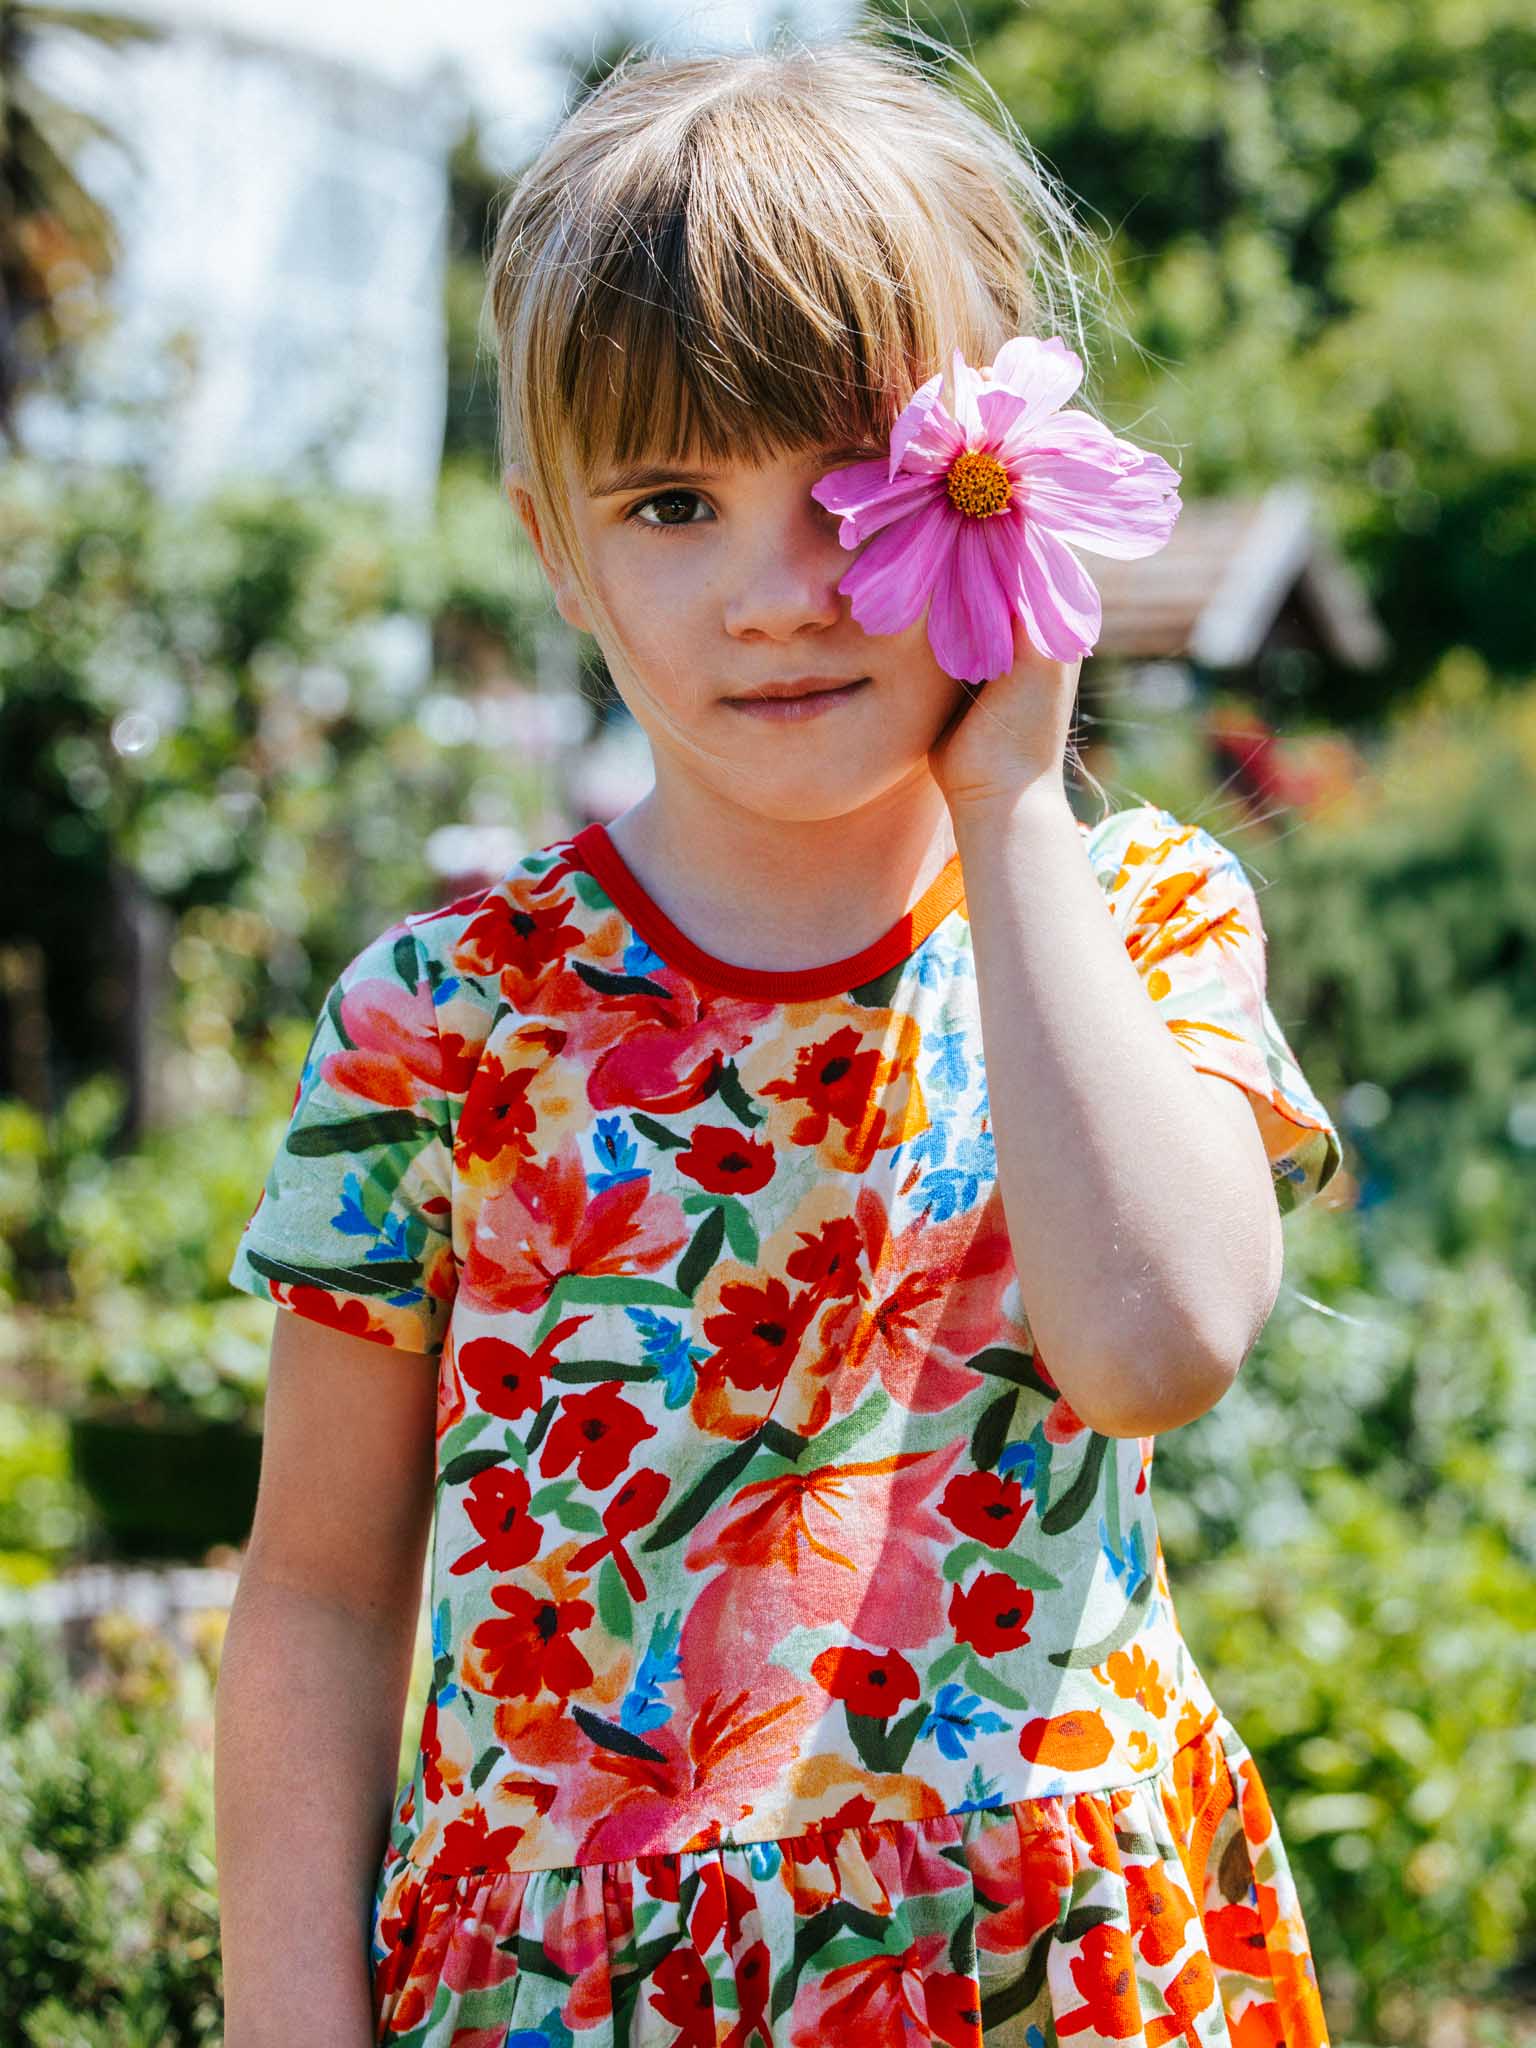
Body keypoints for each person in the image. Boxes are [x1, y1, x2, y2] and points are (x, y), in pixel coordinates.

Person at [213, 28, 1345, 2048]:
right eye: (669, 499)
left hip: (1046, 1982)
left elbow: (1158, 1342)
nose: (780, 590)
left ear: (1003, 485)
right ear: (553, 541)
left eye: (859, 482)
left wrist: (1013, 801)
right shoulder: (439, 1025)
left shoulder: (1141, 915)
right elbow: (313, 1591)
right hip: (576, 1999)